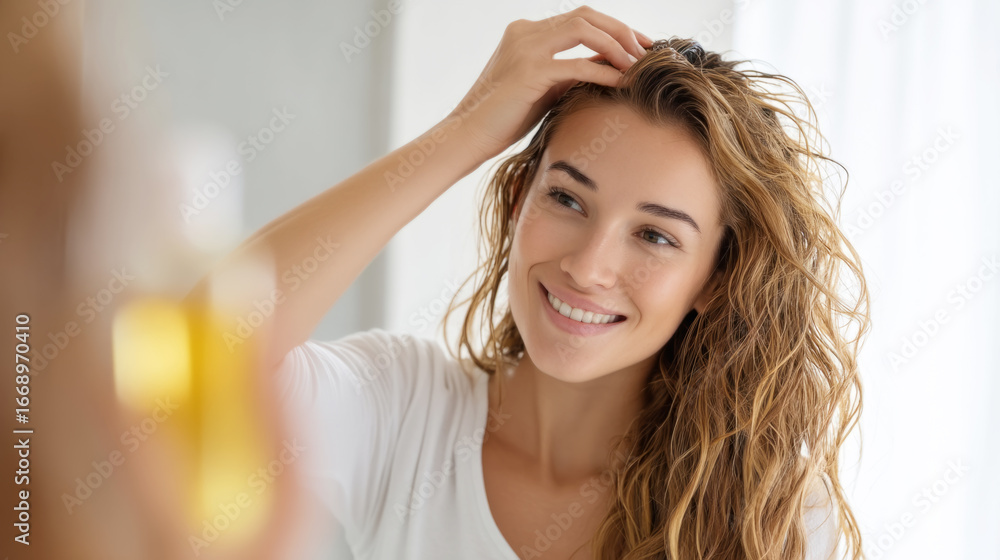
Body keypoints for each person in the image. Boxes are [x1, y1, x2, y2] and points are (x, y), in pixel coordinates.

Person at [192, 6, 869, 559]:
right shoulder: (407, 416)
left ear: (716, 279)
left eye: (656, 236)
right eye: (568, 200)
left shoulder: (768, 516)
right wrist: (466, 130)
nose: (587, 266)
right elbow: (195, 356)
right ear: (519, 196)